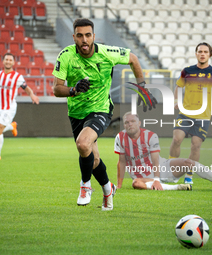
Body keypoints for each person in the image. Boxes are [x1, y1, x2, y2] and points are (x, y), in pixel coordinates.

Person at [52, 18, 157, 211]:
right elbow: (57, 89)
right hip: (76, 112)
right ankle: (108, 189)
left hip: (101, 109)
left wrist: (142, 87)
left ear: (94, 36)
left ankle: (85, 186)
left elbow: (133, 58)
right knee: (93, 158)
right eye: (80, 35)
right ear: (74, 37)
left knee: (83, 144)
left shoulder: (107, 53)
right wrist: (73, 90)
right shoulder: (65, 56)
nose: (84, 40)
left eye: (88, 35)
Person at [115, 112, 212, 191]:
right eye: (126, 122)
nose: (130, 124)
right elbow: (121, 162)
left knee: (188, 162)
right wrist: (119, 185)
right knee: (136, 184)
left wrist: (157, 179)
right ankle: (177, 187)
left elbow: (155, 159)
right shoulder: (120, 138)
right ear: (124, 125)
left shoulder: (150, 136)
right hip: (141, 176)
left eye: (132, 121)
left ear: (139, 123)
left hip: (161, 168)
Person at [169, 42, 212, 184]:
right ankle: (171, 170)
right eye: (200, 51)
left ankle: (189, 176)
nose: (202, 54)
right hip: (185, 113)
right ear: (196, 53)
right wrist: (175, 101)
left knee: (195, 145)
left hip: (203, 115)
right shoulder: (187, 71)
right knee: (177, 139)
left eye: (205, 52)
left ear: (209, 54)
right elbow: (178, 86)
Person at [0, 53, 39, 161]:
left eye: (10, 60)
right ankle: (11, 126)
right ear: (3, 61)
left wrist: (32, 94)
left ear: (13, 62)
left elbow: (26, 88)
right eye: (6, 59)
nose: (8, 61)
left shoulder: (17, 77)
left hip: (9, 108)